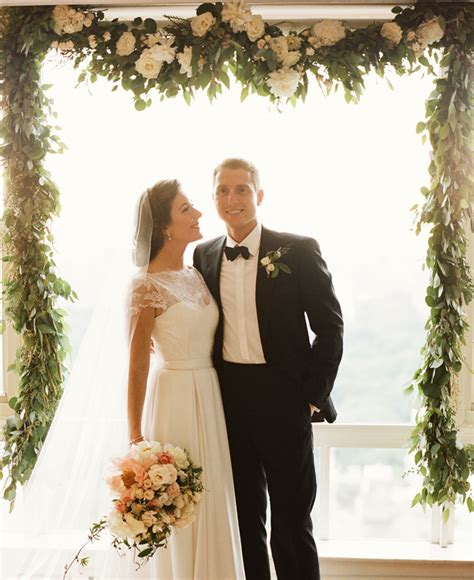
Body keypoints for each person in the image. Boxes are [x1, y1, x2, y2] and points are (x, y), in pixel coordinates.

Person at [4, 179, 244, 579]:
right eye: (186, 209)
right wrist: (136, 440)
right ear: (165, 226)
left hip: (209, 396)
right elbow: (137, 365)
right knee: (178, 508)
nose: (199, 213)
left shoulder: (196, 274)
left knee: (211, 501)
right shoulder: (143, 285)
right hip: (174, 400)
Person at [193, 158, 344, 580]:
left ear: (258, 196)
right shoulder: (202, 255)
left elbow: (330, 328)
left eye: (241, 189)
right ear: (215, 198)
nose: (232, 199)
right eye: (223, 190)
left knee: (292, 524)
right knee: (244, 522)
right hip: (230, 403)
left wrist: (312, 397)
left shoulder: (298, 248)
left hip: (287, 401)